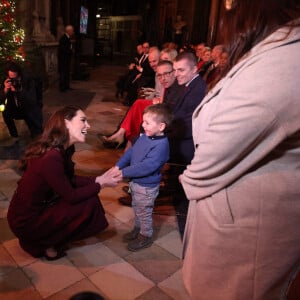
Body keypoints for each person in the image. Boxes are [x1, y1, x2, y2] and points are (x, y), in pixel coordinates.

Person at [179, 1, 300, 299]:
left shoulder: (280, 64)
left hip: (248, 232)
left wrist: (189, 180)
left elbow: (212, 158)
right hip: (243, 212)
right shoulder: (272, 57)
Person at [7, 105, 121, 260]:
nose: (88, 125)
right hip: (26, 220)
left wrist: (98, 179)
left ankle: (48, 238)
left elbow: (69, 180)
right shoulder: (51, 156)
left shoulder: (64, 149)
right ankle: (45, 242)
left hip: (38, 208)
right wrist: (101, 184)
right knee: (87, 202)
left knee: (90, 196)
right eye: (83, 120)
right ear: (66, 123)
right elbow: (71, 196)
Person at [111, 104, 172, 251]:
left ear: (161, 126)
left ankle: (145, 236)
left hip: (147, 186)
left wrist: (124, 173)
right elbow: (131, 152)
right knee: (137, 208)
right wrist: (118, 165)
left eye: (147, 123)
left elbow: (147, 166)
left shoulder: (161, 145)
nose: (143, 125)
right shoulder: (145, 136)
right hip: (136, 183)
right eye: (143, 121)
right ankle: (138, 229)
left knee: (144, 212)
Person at [0, 61, 43, 144]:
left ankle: (36, 136)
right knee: (5, 113)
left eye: (15, 78)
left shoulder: (28, 80)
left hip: (28, 107)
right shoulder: (6, 81)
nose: (13, 81)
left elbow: (32, 100)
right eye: (11, 78)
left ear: (19, 74)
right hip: (15, 109)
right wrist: (5, 89)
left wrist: (18, 91)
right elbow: (1, 100)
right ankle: (14, 136)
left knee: (36, 133)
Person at [58, 25, 74, 92]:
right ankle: (63, 88)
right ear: (69, 31)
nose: (73, 32)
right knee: (63, 73)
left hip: (67, 59)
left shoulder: (68, 38)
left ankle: (67, 86)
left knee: (67, 73)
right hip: (63, 59)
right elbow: (63, 49)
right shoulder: (63, 38)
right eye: (72, 31)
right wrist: (69, 51)